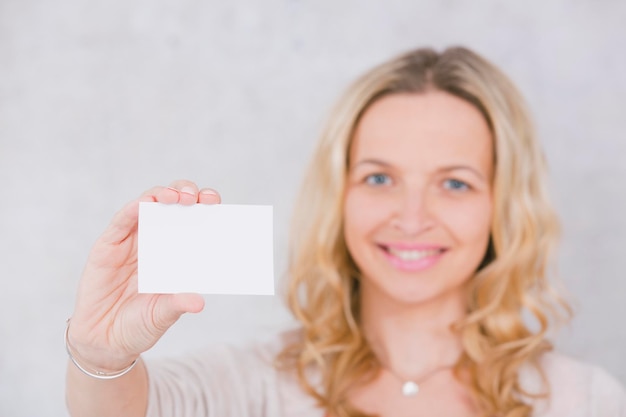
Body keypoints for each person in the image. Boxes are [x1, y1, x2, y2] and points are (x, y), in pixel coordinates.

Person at [65, 46, 626, 417]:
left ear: (503, 205)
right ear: (340, 196)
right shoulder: (249, 385)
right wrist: (101, 358)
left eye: (454, 183)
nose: (411, 216)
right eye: (379, 177)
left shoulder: (586, 401)